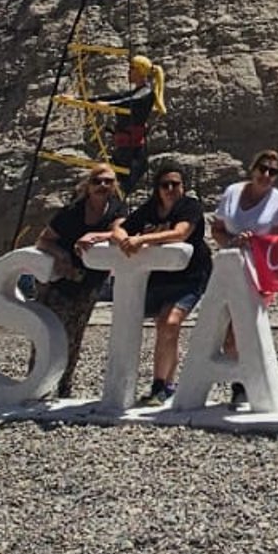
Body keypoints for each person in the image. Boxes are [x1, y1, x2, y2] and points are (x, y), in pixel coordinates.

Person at [116, 161, 211, 406]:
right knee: (162, 326)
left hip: (189, 277)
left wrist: (143, 240)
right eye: (164, 185)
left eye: (175, 184)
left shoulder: (191, 207)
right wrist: (124, 238)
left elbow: (180, 233)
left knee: (169, 323)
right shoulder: (149, 209)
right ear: (157, 189)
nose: (170, 189)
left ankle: (160, 385)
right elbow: (120, 228)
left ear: (183, 187)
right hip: (157, 278)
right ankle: (166, 383)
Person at [206, 150, 278, 408]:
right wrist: (232, 243)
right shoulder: (232, 192)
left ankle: (244, 385)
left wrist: (255, 245)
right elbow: (217, 228)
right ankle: (243, 381)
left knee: (244, 327)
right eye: (262, 168)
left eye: (272, 172)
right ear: (252, 168)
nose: (266, 175)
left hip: (259, 271)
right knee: (226, 328)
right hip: (230, 266)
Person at [36, 161, 126, 397]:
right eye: (98, 181)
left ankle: (64, 386)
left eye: (108, 181)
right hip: (59, 280)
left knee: (75, 334)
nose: (103, 185)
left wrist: (96, 235)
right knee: (46, 331)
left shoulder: (116, 209)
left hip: (89, 282)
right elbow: (44, 240)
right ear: (88, 186)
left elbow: (119, 233)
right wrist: (62, 255)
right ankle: (36, 384)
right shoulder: (71, 212)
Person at [100, 55, 165, 193]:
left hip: (133, 152)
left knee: (120, 190)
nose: (128, 72)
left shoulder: (146, 93)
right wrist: (82, 99)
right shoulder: (135, 92)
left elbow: (130, 101)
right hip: (124, 149)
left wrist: (108, 105)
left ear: (141, 71)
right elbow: (114, 98)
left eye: (132, 69)